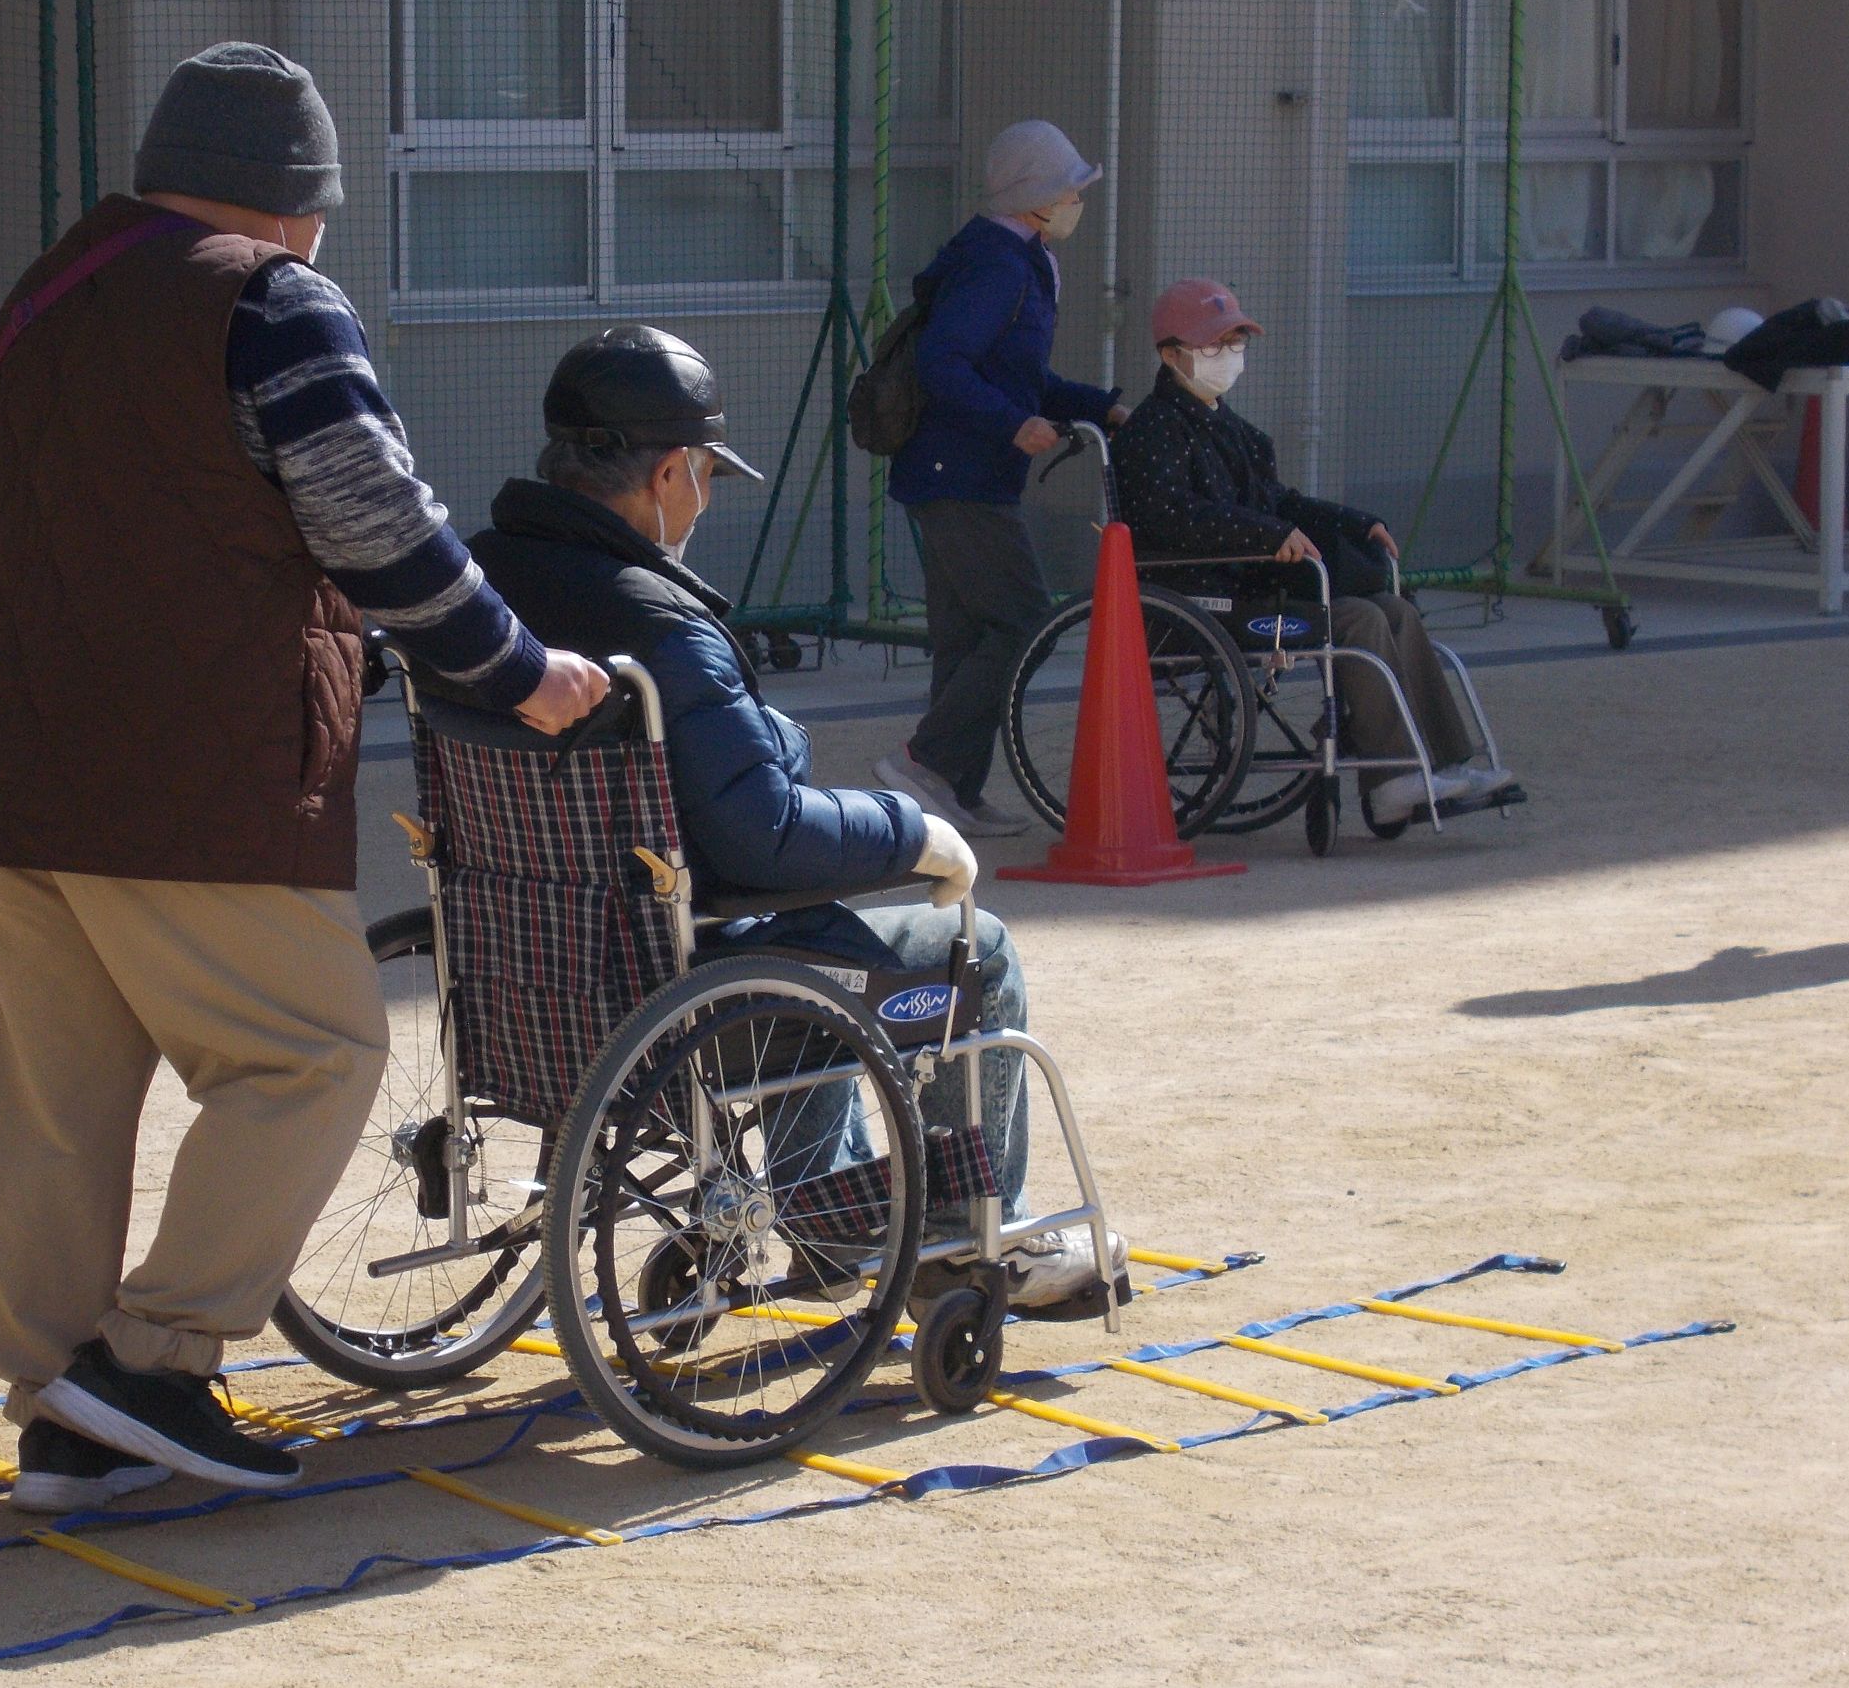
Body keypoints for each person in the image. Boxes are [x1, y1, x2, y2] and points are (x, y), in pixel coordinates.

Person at [0, 43, 609, 1513]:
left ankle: (60, 1407)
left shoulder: (50, 288)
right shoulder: (269, 298)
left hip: (14, 756)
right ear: (300, 200)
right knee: (313, 1053)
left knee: (52, 1100)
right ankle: (153, 1363)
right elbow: (375, 523)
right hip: (190, 766)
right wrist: (516, 667)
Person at [462, 323, 1129, 1308]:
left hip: (522, 969)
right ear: (670, 473)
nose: (703, 499)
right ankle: (963, 1238)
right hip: (671, 982)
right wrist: (911, 830)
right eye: (705, 476)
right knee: (969, 947)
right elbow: (762, 835)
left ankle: (835, 1217)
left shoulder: (483, 592)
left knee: (813, 934)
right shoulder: (662, 622)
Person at [1111, 278, 1515, 819]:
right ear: (1170, 354)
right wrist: (1265, 535)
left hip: (1249, 589)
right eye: (1213, 345)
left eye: (1235, 342)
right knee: (1358, 619)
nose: (1228, 355)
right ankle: (1391, 781)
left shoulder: (1232, 430)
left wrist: (1358, 523)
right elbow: (1172, 517)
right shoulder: (1150, 432)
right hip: (1201, 601)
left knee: (1395, 609)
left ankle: (1444, 764)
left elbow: (1280, 502)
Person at [876, 119, 1127, 838]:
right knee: (1024, 621)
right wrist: (1013, 424)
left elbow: (1019, 374)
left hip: (953, 473)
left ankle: (951, 789)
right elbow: (944, 363)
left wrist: (1098, 406)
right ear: (1035, 197)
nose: (1077, 200)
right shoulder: (999, 263)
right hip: (962, 475)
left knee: (966, 638)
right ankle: (926, 762)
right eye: (1069, 188)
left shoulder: (1015, 255)